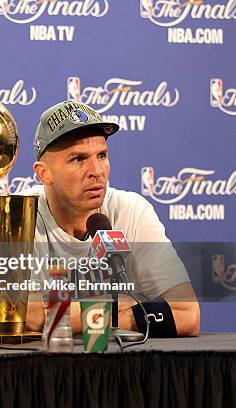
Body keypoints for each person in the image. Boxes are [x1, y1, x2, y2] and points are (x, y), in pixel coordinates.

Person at [26, 100, 200, 337]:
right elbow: (33, 317)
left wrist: (117, 317)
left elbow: (188, 315)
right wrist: (122, 305)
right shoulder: (20, 217)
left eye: (102, 155)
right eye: (79, 159)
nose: (97, 171)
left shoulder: (132, 211)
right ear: (44, 173)